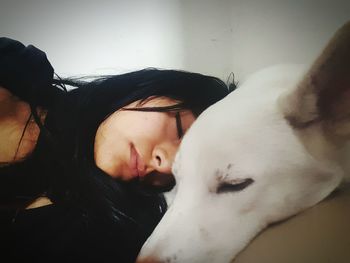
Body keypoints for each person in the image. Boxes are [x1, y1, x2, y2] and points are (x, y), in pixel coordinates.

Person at [0, 37, 233, 262]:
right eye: (180, 130)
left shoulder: (98, 232)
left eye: (180, 169)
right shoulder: (20, 68)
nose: (165, 164)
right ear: (149, 89)